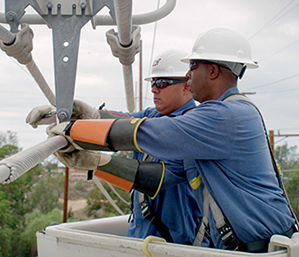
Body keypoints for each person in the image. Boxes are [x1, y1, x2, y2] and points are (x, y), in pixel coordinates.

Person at [47, 28, 298, 252]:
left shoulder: (226, 115)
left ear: (212, 71)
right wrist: (92, 151)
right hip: (245, 246)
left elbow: (151, 133)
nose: (188, 75)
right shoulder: (210, 124)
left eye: (192, 67)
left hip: (264, 248)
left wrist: (72, 130)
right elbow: (160, 176)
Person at [26, 50, 203, 245]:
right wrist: (68, 114)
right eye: (153, 83)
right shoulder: (153, 116)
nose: (154, 89)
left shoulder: (195, 128)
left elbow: (160, 177)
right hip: (139, 240)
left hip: (176, 245)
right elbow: (117, 124)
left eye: (161, 83)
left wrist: (95, 162)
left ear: (186, 86)